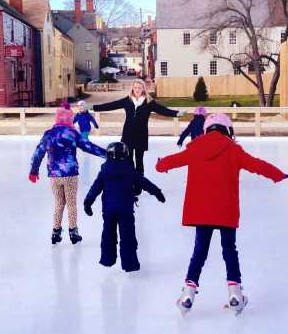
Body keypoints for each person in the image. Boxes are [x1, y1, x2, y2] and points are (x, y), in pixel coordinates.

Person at [156, 113, 287, 316]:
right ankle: (235, 294)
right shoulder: (234, 150)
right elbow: (257, 165)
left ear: (207, 129)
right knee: (229, 251)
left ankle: (187, 295)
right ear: (228, 131)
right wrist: (279, 174)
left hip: (201, 211)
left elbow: (171, 162)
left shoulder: (195, 148)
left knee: (199, 251)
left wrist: (160, 164)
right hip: (225, 210)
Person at [88, 80, 185, 195]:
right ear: (132, 88)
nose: (137, 89)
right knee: (128, 162)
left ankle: (138, 187)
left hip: (141, 135)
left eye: (139, 87)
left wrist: (176, 113)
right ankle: (129, 184)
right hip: (128, 135)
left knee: (139, 161)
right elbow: (111, 105)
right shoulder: (127, 101)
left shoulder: (149, 102)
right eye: (135, 87)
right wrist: (93, 107)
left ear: (143, 89)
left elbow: (162, 110)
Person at [29, 103, 106, 245]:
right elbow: (88, 147)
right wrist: (107, 154)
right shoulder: (72, 134)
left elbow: (38, 153)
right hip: (70, 174)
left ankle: (56, 232)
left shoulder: (49, 134)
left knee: (59, 203)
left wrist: (33, 171)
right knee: (71, 203)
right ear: (70, 119)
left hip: (54, 175)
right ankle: (73, 232)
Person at [84, 142, 166, 272]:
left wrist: (88, 202)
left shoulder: (104, 170)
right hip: (125, 209)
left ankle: (107, 259)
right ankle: (130, 264)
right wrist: (157, 192)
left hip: (109, 209)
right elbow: (143, 182)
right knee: (127, 236)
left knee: (108, 233)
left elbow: (96, 187)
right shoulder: (128, 169)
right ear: (125, 154)